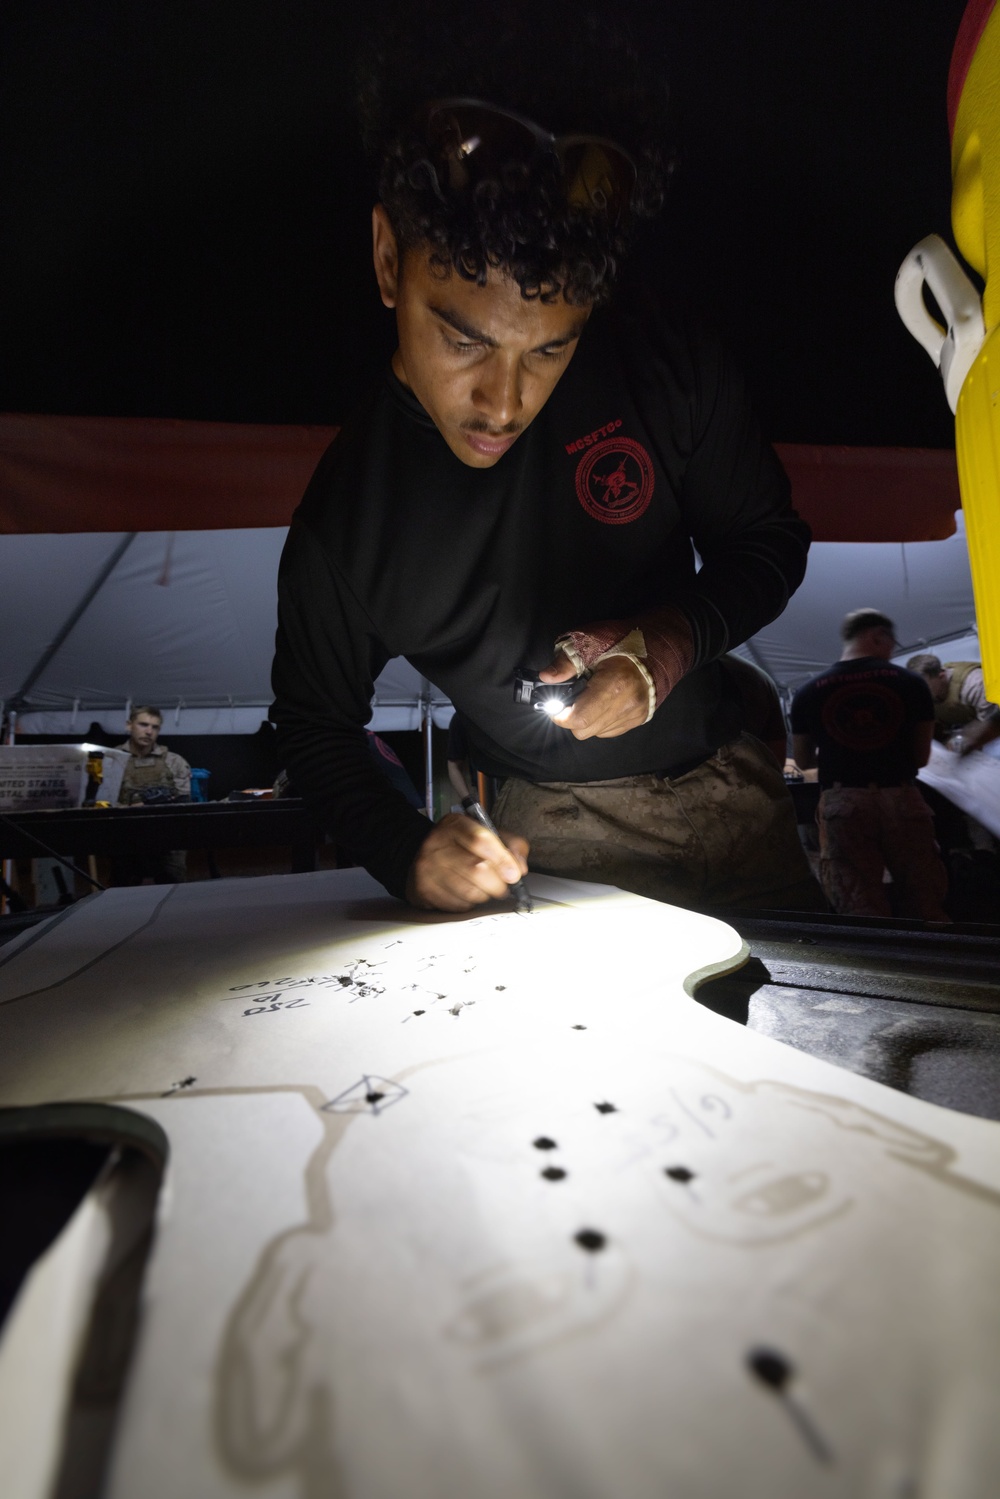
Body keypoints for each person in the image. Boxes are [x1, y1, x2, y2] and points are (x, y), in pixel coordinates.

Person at [271, 8, 821, 915]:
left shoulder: (663, 360)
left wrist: (669, 645)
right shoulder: (347, 525)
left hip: (738, 795)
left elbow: (767, 540)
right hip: (551, 834)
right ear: (385, 260)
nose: (504, 401)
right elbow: (315, 726)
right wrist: (408, 850)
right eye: (463, 341)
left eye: (549, 352)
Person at [790, 610, 949, 920]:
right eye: (891, 643)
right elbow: (921, 758)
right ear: (878, 636)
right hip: (901, 796)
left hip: (843, 801)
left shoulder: (808, 692)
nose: (892, 651)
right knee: (924, 898)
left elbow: (804, 760)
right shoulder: (912, 683)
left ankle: (877, 963)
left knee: (859, 903)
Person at [114, 705, 191, 884]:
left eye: (154, 727)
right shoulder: (112, 759)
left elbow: (184, 801)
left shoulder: (174, 761)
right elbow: (101, 803)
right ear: (129, 725)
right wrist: (129, 809)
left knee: (174, 890)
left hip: (167, 836)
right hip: (126, 836)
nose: (149, 731)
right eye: (143, 725)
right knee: (123, 893)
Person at [905, 652, 1000, 754]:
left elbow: (989, 727)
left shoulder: (974, 685)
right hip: (964, 728)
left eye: (925, 687)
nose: (920, 693)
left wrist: (964, 741)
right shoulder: (923, 693)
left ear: (941, 675)